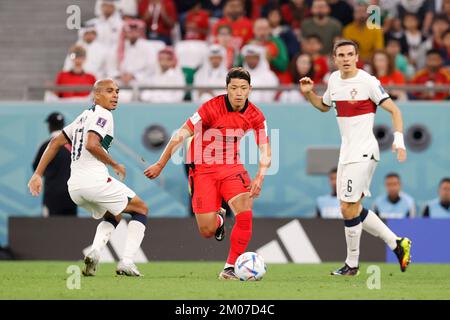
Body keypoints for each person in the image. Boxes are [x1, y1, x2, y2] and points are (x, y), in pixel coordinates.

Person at [144, 67, 271, 280]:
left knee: (245, 211)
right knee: (207, 231)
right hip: (202, 169)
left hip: (232, 167)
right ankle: (219, 220)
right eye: (233, 88)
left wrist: (260, 175)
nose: (238, 93)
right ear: (226, 89)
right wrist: (160, 164)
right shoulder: (211, 108)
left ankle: (230, 267)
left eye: (243, 88)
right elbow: (181, 135)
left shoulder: (256, 115)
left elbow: (265, 147)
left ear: (250, 89)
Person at [299, 39, 412, 276]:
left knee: (348, 208)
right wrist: (310, 94)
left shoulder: (368, 81)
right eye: (341, 55)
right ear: (335, 58)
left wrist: (398, 141)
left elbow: (395, 111)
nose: (346, 58)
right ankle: (397, 243)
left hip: (364, 151)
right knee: (350, 207)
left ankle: (352, 265)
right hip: (347, 152)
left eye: (350, 54)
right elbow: (324, 106)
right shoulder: (333, 79)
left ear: (357, 57)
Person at [28, 79, 149, 277]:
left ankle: (95, 252)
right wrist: (115, 164)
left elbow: (55, 142)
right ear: (96, 95)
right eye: (109, 91)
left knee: (114, 215)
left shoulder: (83, 117)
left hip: (75, 188)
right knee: (141, 209)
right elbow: (92, 144)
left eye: (117, 92)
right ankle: (126, 262)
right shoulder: (104, 115)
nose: (115, 95)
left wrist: (37, 174)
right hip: (95, 181)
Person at [32, 112, 77, 217]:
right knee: (71, 229)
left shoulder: (45, 146)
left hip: (52, 197)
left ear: (49, 126)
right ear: (63, 126)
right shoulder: (73, 145)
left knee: (51, 230)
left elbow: (36, 170)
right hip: (71, 195)